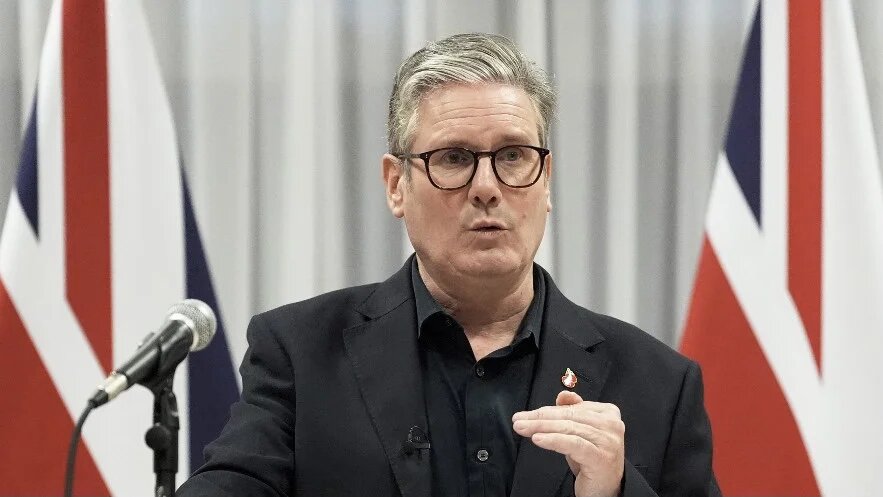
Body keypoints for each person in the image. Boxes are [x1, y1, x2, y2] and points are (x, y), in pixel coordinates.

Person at [177, 32, 720, 497]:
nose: (487, 188)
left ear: (546, 179)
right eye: (454, 159)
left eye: (513, 156)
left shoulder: (658, 384)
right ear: (396, 185)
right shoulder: (299, 353)